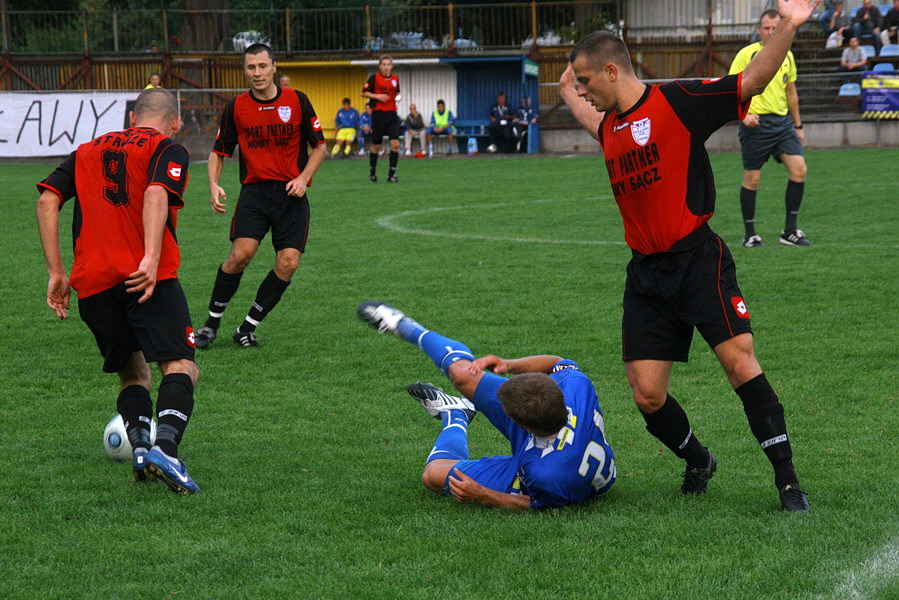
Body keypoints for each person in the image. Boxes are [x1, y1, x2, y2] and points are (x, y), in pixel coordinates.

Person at [559, 0, 817, 513]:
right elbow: (575, 95)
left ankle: (788, 482)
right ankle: (699, 459)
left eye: (589, 79)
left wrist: (787, 24)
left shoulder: (677, 101)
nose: (584, 89)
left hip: (698, 260)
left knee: (739, 363)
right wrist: (570, 79)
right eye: (581, 82)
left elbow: (751, 79)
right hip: (646, 274)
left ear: (613, 70)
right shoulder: (609, 126)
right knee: (646, 394)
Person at [36, 88, 200, 494]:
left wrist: (57, 272)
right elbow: (156, 193)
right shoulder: (167, 147)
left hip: (92, 285)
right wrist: (148, 258)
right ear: (175, 121)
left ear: (132, 119)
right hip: (147, 279)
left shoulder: (87, 149)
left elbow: (46, 201)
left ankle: (141, 446)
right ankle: (166, 448)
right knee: (181, 366)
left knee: (133, 374)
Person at [356, 301, 616, 510]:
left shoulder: (544, 475)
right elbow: (557, 362)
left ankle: (456, 415)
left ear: (520, 425)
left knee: (433, 476)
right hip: (556, 441)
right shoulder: (574, 385)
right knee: (463, 375)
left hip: (555, 466)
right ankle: (405, 325)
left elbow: (535, 504)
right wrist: (508, 365)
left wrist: (484, 495)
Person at [195, 43, 327, 350]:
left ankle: (247, 327)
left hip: (291, 196)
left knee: (289, 262)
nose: (257, 73)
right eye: (251, 67)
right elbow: (218, 152)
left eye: (262, 66)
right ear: (245, 70)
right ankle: (210, 325)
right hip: (254, 194)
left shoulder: (297, 101)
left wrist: (303, 177)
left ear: (274, 67)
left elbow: (319, 146)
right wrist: (213, 185)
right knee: (241, 256)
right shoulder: (237, 107)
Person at [730, 9, 811, 248]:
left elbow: (791, 92)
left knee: (799, 170)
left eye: (775, 28)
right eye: (766, 28)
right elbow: (731, 88)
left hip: (783, 124)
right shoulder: (747, 54)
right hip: (756, 124)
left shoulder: (787, 55)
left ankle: (789, 231)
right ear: (759, 29)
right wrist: (744, 116)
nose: (770, 31)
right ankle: (750, 235)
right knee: (752, 180)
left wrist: (798, 125)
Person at [362, 54, 402, 182]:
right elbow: (363, 92)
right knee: (377, 146)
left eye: (388, 64)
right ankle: (372, 173)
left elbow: (397, 92)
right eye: (383, 64)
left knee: (395, 144)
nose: (386, 67)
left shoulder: (395, 78)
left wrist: (397, 98)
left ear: (392, 66)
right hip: (379, 114)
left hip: (392, 115)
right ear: (380, 66)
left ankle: (392, 175)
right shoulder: (374, 78)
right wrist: (378, 97)